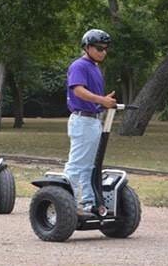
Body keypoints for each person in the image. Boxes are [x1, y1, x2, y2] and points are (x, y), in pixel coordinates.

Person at [64, 29, 116, 213]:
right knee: (77, 164)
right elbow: (78, 90)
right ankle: (65, 201)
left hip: (93, 120)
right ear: (87, 47)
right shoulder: (79, 65)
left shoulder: (95, 67)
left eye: (105, 49)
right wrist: (102, 100)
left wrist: (103, 104)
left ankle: (88, 201)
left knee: (90, 166)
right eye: (99, 48)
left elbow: (91, 97)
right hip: (82, 120)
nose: (103, 52)